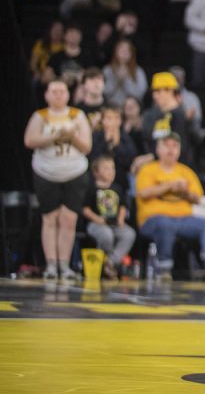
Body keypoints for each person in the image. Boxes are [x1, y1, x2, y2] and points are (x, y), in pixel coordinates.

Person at [135, 132, 205, 282]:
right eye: (166, 146)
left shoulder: (186, 172)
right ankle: (163, 269)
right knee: (164, 223)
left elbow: (197, 198)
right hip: (153, 220)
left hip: (183, 219)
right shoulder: (148, 170)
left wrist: (184, 192)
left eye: (175, 146)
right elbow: (143, 193)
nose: (171, 150)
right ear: (158, 149)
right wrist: (169, 186)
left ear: (179, 150)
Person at [24, 79, 93, 281]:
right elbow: (29, 140)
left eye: (62, 91)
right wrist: (53, 138)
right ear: (46, 95)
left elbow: (87, 147)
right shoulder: (40, 116)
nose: (58, 95)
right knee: (49, 218)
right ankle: (51, 265)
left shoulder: (76, 115)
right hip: (46, 172)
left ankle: (65, 264)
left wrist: (71, 136)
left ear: (68, 95)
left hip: (74, 172)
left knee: (69, 219)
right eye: (54, 91)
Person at [81, 155, 136, 278]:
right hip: (96, 224)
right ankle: (104, 265)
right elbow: (85, 209)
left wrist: (121, 219)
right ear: (96, 172)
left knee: (129, 234)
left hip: (115, 223)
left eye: (112, 168)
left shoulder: (117, 188)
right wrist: (97, 219)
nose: (111, 171)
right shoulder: (91, 189)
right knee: (106, 235)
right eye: (106, 168)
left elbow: (123, 205)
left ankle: (110, 261)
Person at [140, 71, 201, 165]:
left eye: (158, 91)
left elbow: (182, 147)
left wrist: (150, 157)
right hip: (154, 168)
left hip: (177, 169)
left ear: (170, 91)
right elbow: (146, 140)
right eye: (154, 91)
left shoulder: (181, 116)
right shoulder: (151, 114)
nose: (154, 95)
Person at [102, 39, 147, 108]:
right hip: (111, 108)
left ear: (132, 53)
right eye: (121, 49)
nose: (124, 52)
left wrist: (126, 80)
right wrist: (117, 80)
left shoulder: (138, 71)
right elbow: (104, 92)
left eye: (127, 50)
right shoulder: (107, 70)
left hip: (131, 108)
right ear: (116, 52)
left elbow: (140, 94)